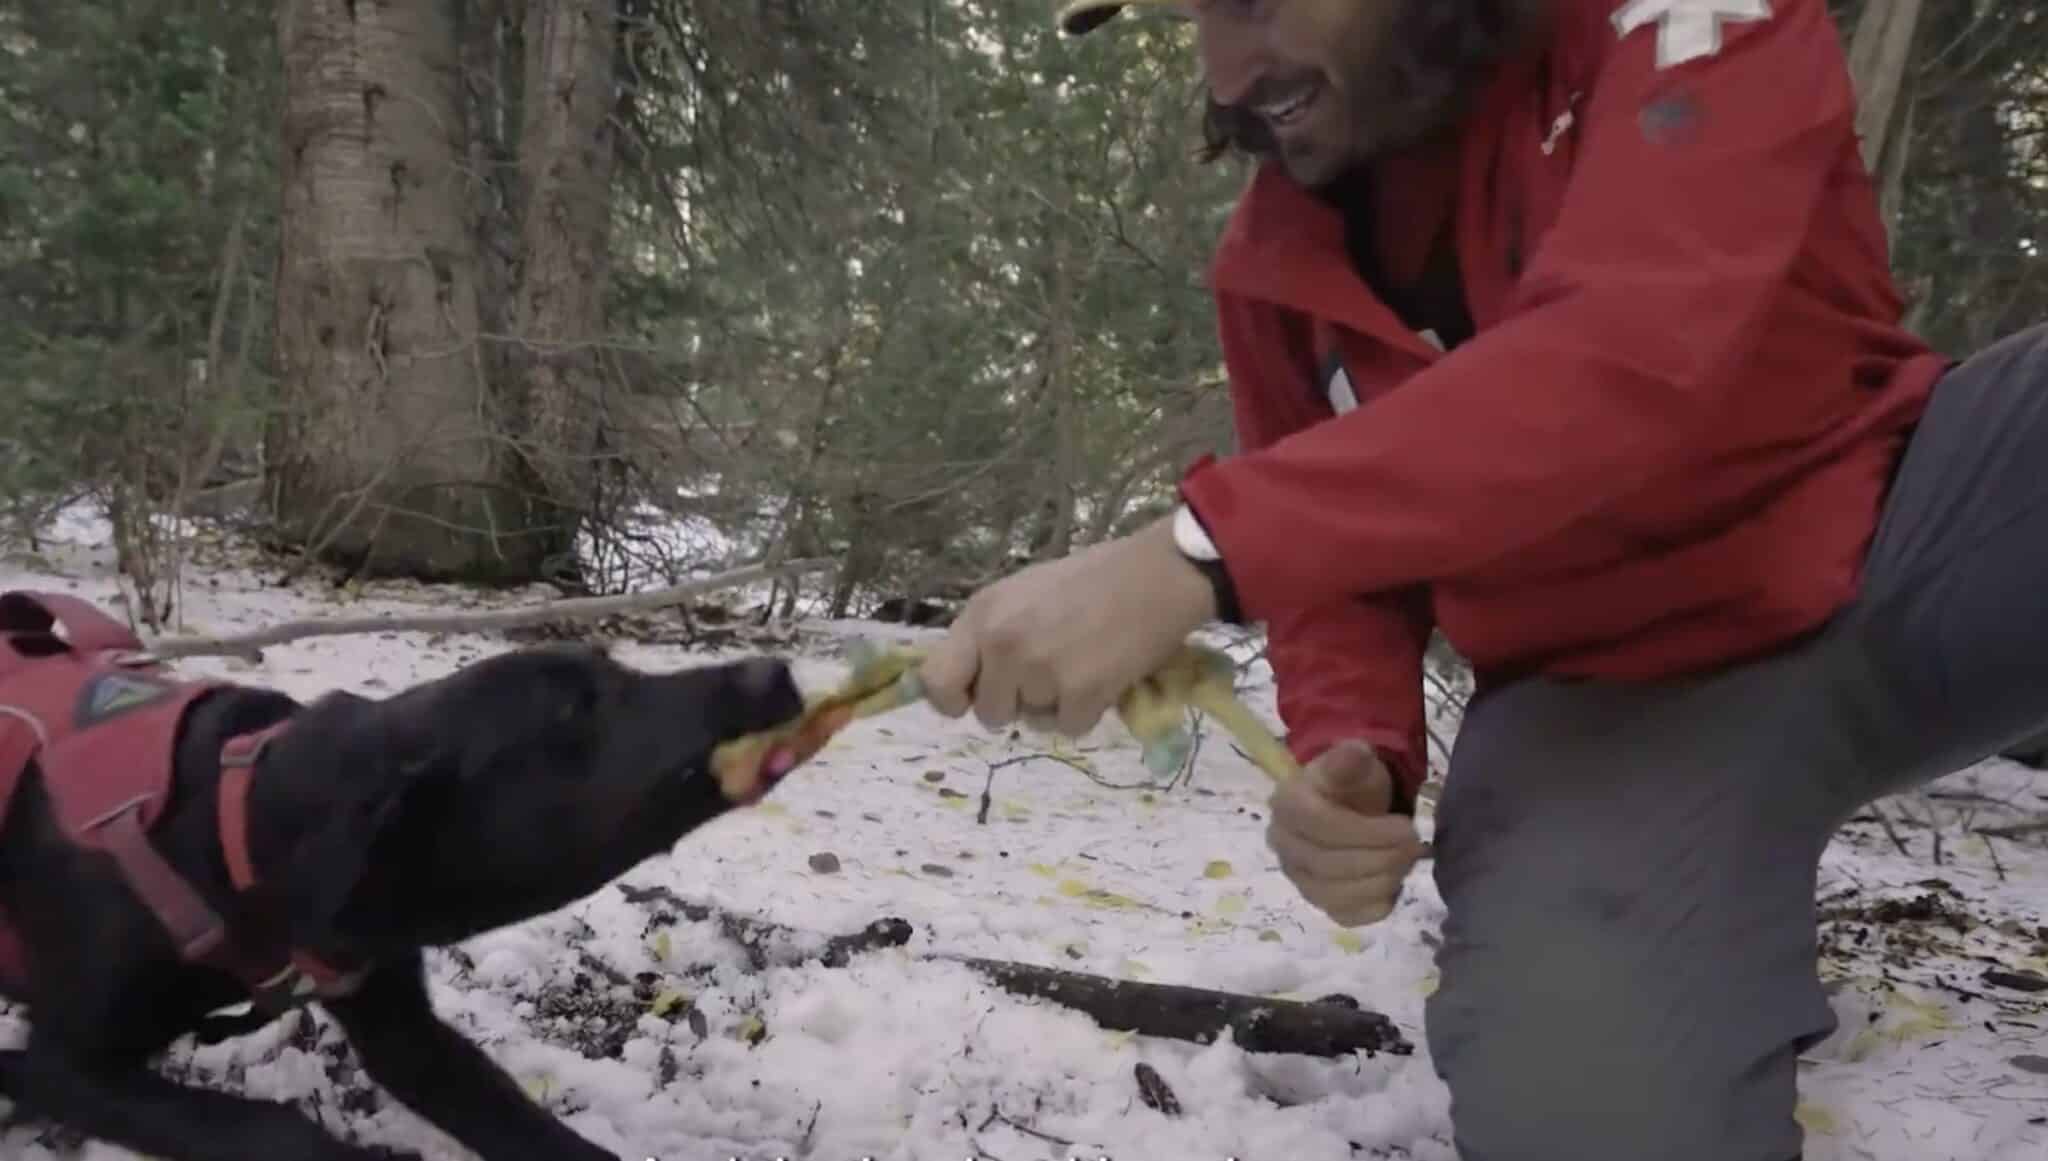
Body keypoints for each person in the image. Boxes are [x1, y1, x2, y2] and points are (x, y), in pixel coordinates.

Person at [915, 1, 2048, 1159]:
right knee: (1591, 1115)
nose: (1223, 70)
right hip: (1606, 708)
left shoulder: (1678, 22)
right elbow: (1339, 580)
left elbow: (1627, 350)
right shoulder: (1274, 272)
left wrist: (1191, 555)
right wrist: (1353, 750)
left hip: (1911, 524)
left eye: (1250, 1)